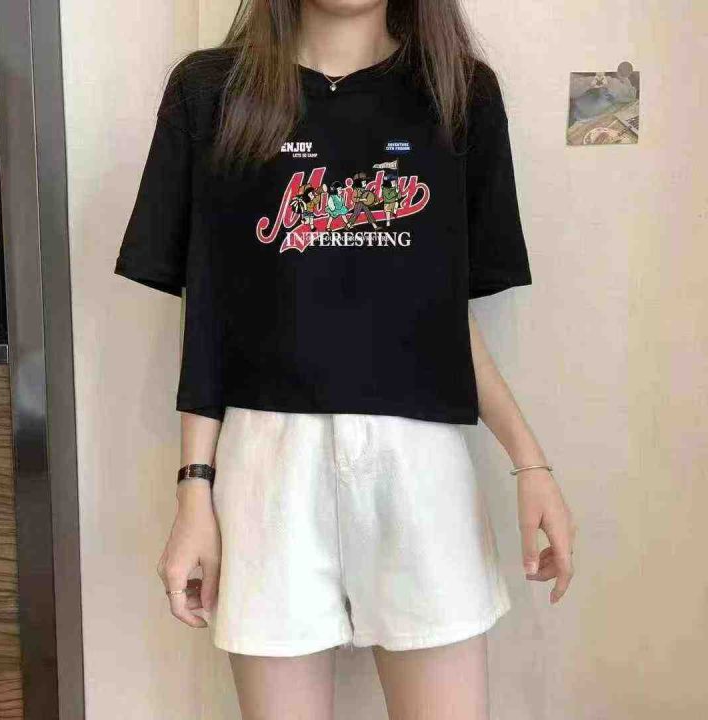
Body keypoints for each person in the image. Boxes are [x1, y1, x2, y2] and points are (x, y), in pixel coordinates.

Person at [114, 1, 577, 717]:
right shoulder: (211, 92)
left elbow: (445, 318)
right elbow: (208, 314)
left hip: (419, 465)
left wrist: (530, 463)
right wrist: (193, 493)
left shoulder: (459, 94)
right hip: (267, 466)